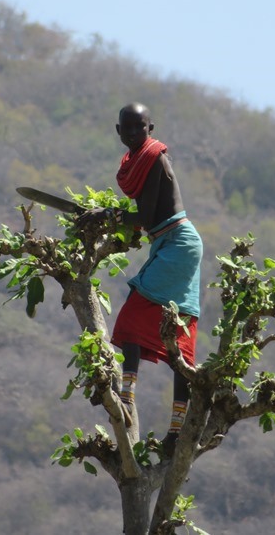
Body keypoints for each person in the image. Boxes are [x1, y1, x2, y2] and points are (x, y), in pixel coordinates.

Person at [78, 102, 203, 457]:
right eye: (127, 129)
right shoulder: (135, 162)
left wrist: (107, 215)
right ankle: (175, 429)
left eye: (140, 128)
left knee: (134, 318)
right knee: (177, 333)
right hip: (170, 241)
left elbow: (146, 216)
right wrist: (110, 219)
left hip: (178, 241)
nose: (133, 134)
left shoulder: (155, 158)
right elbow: (144, 219)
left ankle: (128, 396)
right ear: (118, 131)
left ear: (151, 128)